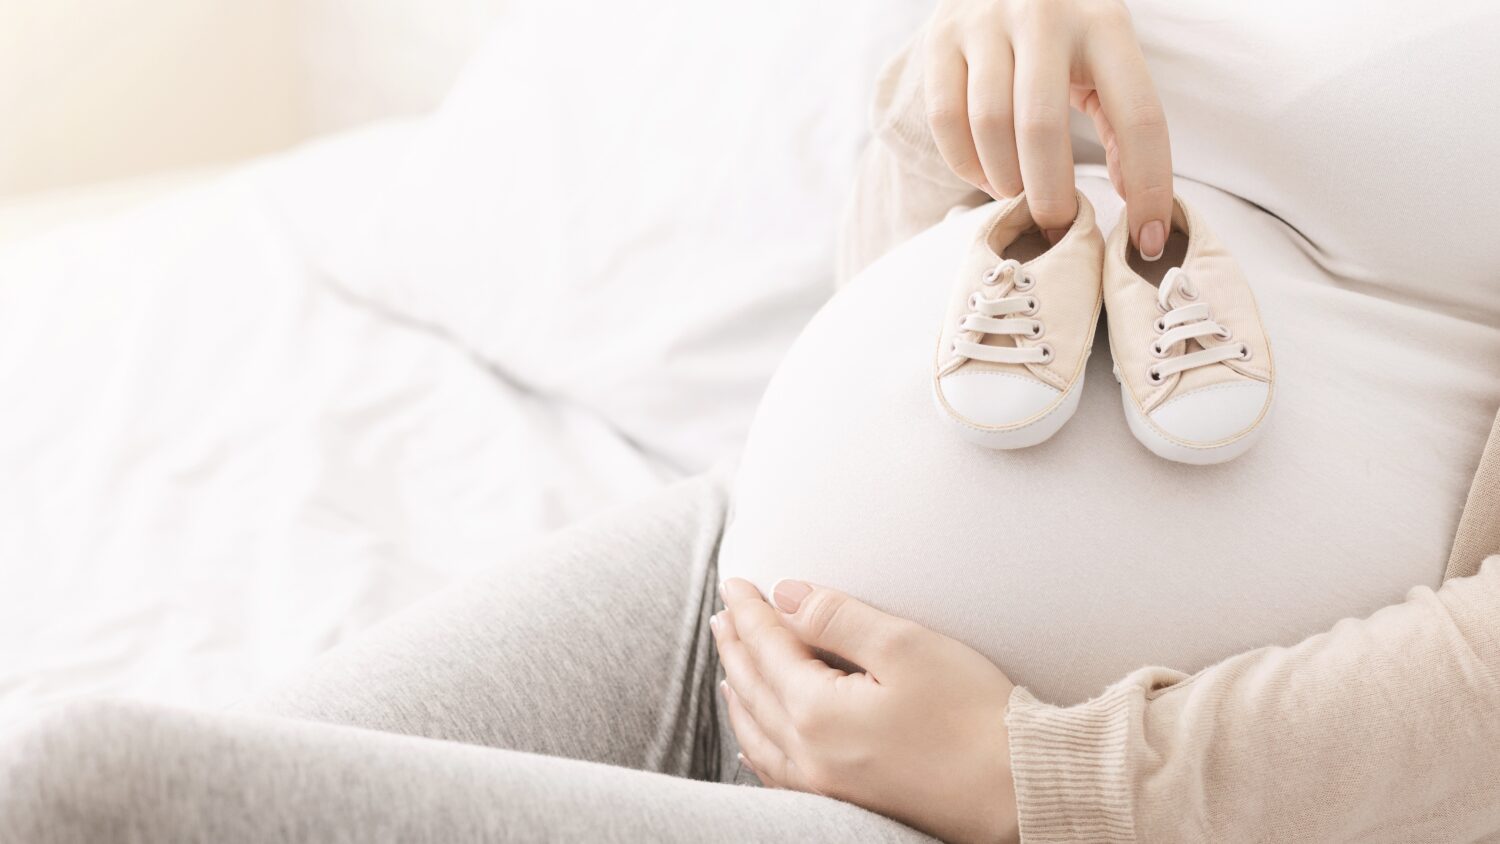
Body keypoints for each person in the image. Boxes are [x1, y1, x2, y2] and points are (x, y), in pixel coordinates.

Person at [4, 1, 1499, 842]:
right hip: (743, 585)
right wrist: (949, 94)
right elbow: (906, 288)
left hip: (1070, 793)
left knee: (89, 793)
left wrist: (1038, 777)